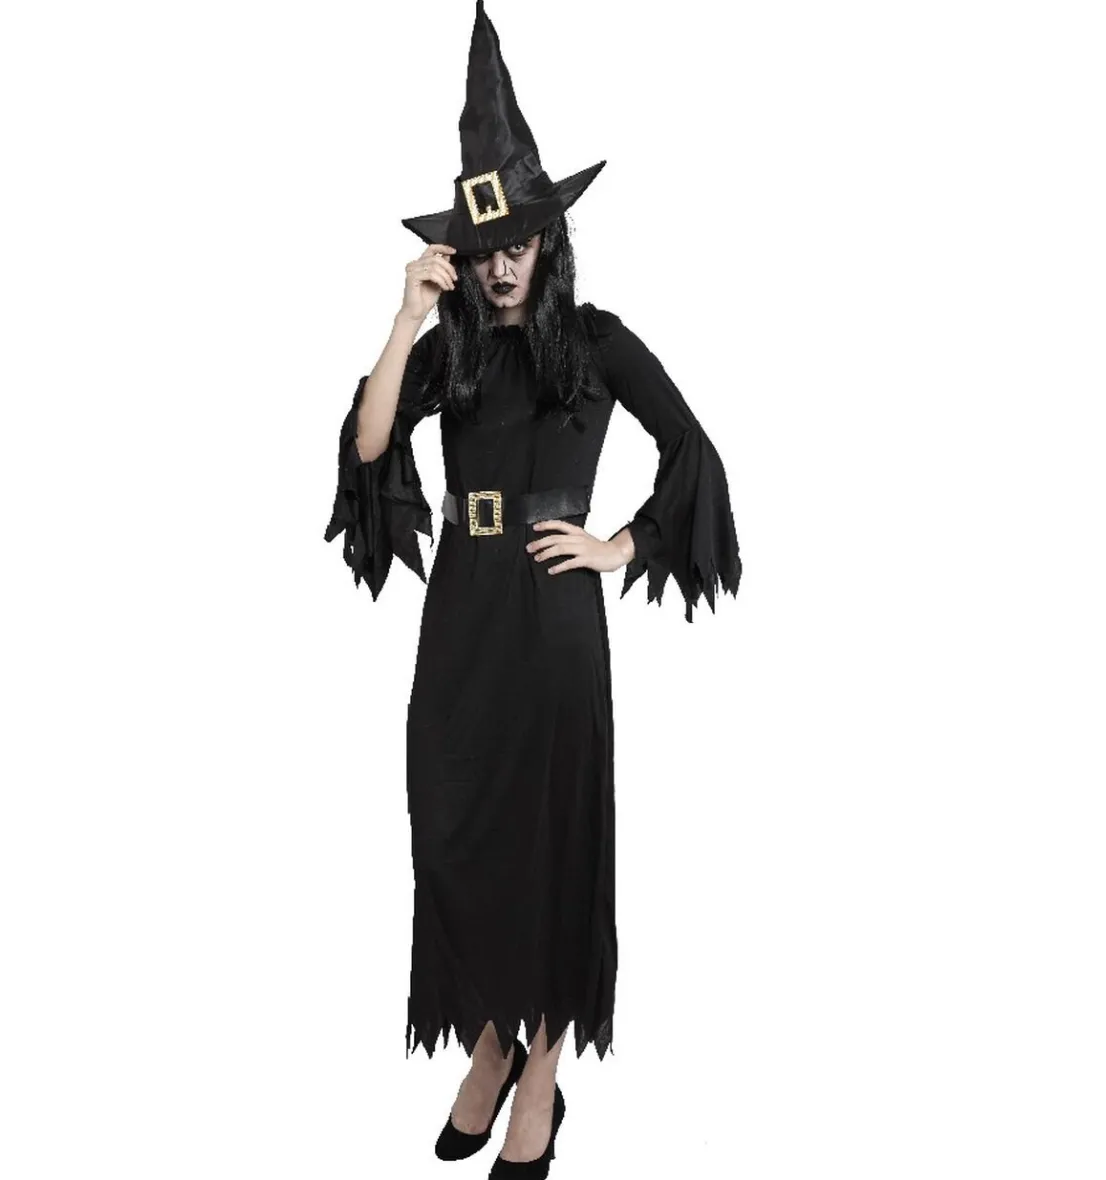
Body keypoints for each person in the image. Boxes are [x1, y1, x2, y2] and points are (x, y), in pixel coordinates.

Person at [324, 3, 741, 1175]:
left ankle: (539, 1073)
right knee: (457, 830)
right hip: (463, 612)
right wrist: (405, 316)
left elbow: (693, 451)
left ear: (549, 241)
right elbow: (368, 447)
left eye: (520, 242)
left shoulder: (596, 343)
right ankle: (491, 1040)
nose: (502, 263)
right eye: (484, 246)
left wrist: (619, 547)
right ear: (461, 251)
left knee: (552, 846)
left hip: (554, 621)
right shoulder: (448, 348)